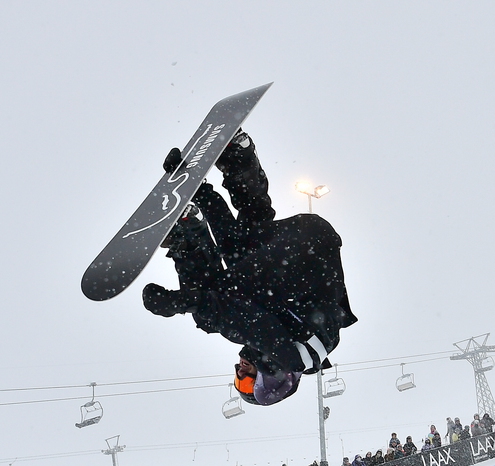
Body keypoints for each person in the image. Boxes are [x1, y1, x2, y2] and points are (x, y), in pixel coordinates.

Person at [142, 131, 357, 407]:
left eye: (237, 379)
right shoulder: (285, 354)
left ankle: (239, 157)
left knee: (246, 240)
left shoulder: (305, 348)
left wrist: (197, 189)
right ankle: (187, 235)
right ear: (272, 379)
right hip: (301, 256)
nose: (239, 370)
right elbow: (220, 311)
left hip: (309, 239)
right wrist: (171, 303)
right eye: (245, 380)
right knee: (211, 311)